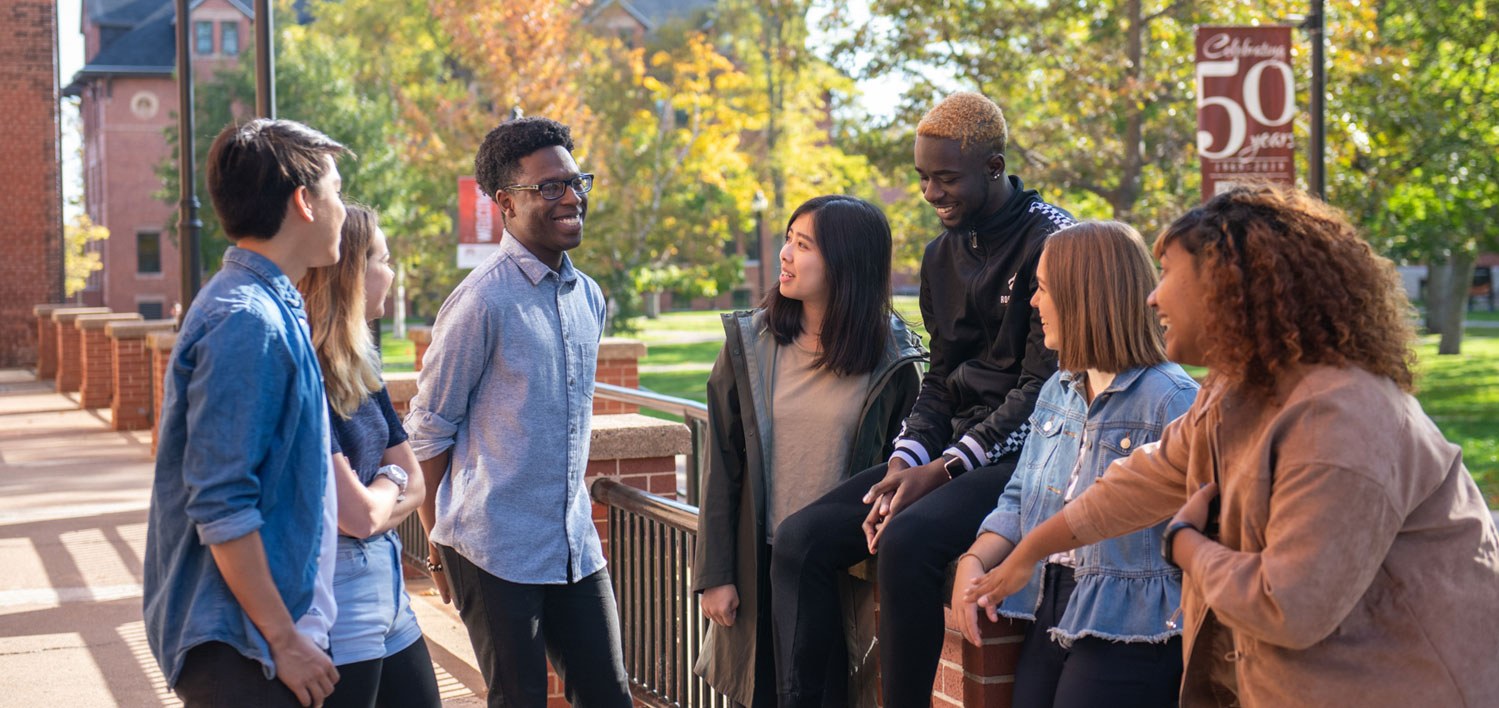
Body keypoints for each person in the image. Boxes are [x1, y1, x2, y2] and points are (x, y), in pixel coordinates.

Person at [969, 186, 1499, 707]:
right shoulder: (1237, 392)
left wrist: (1185, 545)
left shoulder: (1340, 419)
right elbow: (1137, 483)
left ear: (1228, 288)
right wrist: (1030, 552)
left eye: (1169, 273)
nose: (1152, 296)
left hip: (1406, 685)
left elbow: (1288, 605)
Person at [770, 91, 1074, 707]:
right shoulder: (940, 255)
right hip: (951, 451)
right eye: (922, 178)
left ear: (994, 168)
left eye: (945, 178)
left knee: (906, 541)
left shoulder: (1057, 242)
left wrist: (945, 468)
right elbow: (939, 381)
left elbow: (1045, 392)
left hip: (1030, 455)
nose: (931, 194)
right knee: (801, 539)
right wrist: (908, 461)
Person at [404, 116, 632, 708]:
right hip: (493, 549)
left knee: (610, 696)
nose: (572, 197)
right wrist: (438, 544)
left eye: (576, 181)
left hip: (574, 544)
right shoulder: (481, 300)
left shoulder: (589, 296)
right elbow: (428, 431)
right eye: (550, 187)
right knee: (519, 700)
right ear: (505, 203)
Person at [143, 119, 350, 707]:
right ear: (304, 202)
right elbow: (221, 500)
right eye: (335, 190)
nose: (343, 207)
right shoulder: (246, 320)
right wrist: (284, 641)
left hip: (258, 644)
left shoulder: (269, 305)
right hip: (243, 650)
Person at [950, 221, 1197, 708]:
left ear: (1085, 297)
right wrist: (974, 560)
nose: (1033, 303)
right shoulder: (1059, 389)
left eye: (1042, 289)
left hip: (1133, 621)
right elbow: (1020, 497)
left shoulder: (1172, 400)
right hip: (1048, 600)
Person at [693, 195, 925, 707]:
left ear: (846, 261)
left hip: (838, 574)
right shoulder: (750, 345)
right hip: (761, 566)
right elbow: (722, 465)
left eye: (803, 244)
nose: (785, 254)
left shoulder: (894, 359)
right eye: (787, 240)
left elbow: (901, 469)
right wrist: (716, 574)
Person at [298, 204, 442, 708]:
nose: (392, 271)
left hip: (390, 589)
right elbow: (356, 515)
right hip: (338, 601)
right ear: (354, 272)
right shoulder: (306, 372)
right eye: (383, 258)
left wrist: (385, 486)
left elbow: (416, 481)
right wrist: (392, 480)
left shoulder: (361, 367)